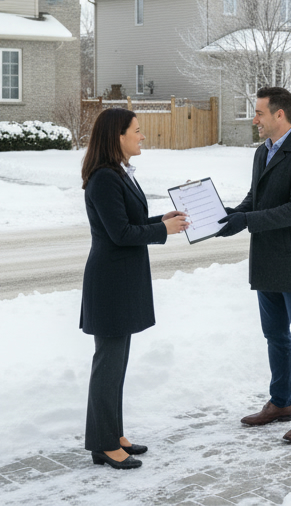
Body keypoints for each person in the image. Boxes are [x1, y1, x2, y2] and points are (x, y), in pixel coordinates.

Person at [216, 86, 291, 443]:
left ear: (280, 115)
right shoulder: (262, 152)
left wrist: (247, 221)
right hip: (266, 259)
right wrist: (228, 217)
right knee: (275, 337)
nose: (255, 119)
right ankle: (281, 403)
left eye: (260, 113)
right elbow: (256, 198)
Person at [79, 108, 189, 470]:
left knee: (117, 363)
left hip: (123, 279)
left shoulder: (119, 174)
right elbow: (120, 233)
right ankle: (103, 444)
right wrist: (164, 232)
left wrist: (162, 220)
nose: (142, 137)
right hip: (110, 283)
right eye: (137, 131)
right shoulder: (104, 178)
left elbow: (131, 221)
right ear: (118, 137)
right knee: (108, 365)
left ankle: (113, 433)